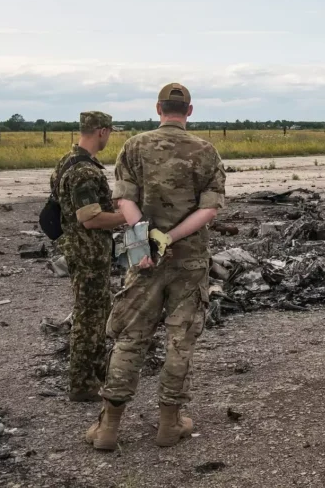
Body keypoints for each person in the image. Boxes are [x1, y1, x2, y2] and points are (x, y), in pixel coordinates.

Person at [87, 83, 225, 451]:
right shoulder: (206, 151)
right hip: (189, 260)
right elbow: (209, 209)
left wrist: (144, 238)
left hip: (143, 259)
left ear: (158, 108)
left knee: (130, 338)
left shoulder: (134, 146)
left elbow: (124, 201)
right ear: (189, 111)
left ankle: (108, 427)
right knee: (180, 341)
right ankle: (169, 423)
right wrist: (172, 237)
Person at [52, 111, 125, 402]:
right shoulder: (83, 170)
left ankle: (94, 375)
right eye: (109, 132)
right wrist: (126, 217)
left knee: (95, 312)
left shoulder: (67, 162)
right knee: (89, 317)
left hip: (81, 250)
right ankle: (83, 384)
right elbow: (90, 218)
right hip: (88, 253)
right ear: (102, 132)